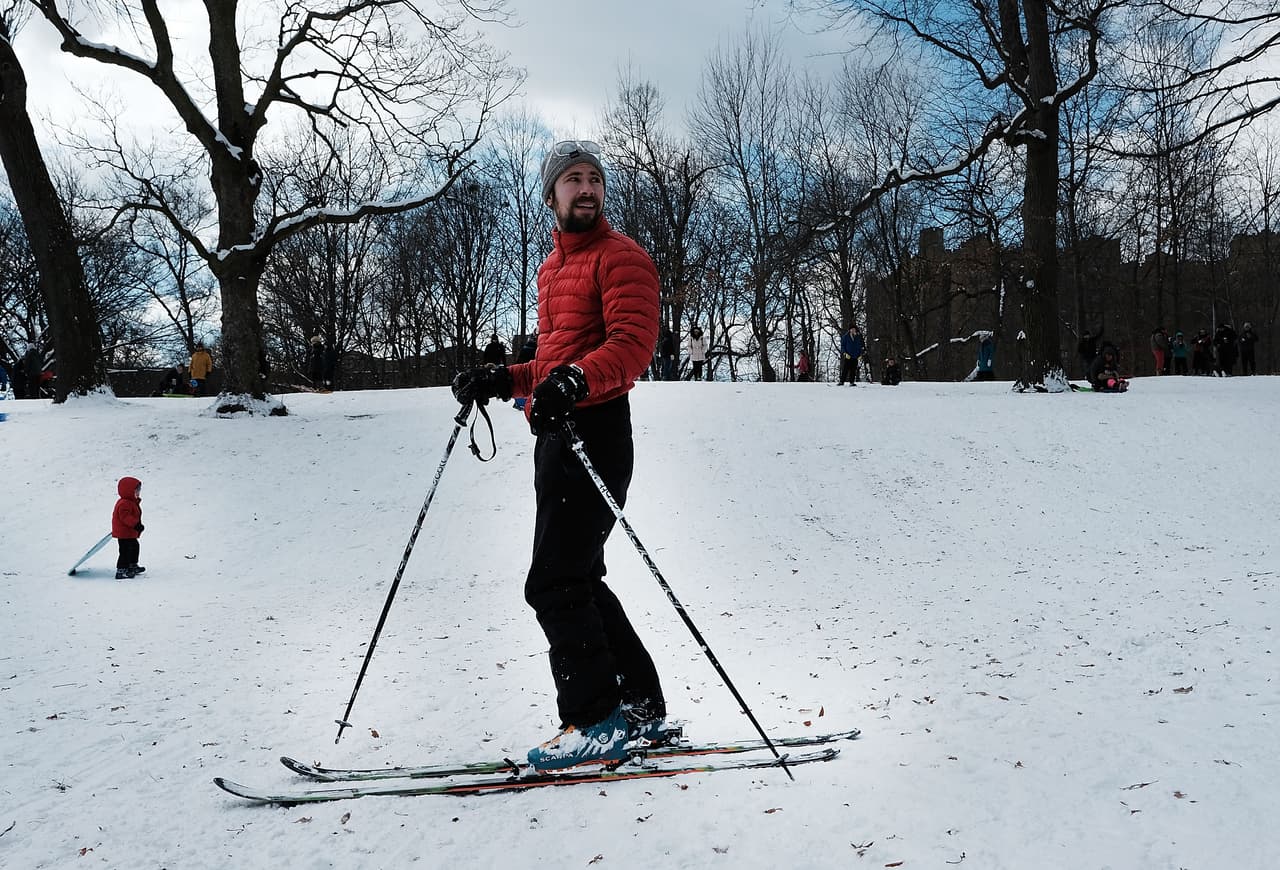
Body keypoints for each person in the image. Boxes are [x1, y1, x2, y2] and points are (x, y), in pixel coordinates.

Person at [449, 139, 667, 771]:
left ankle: (596, 718)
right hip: (556, 440)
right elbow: (550, 366)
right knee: (577, 577)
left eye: (594, 178)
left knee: (554, 582)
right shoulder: (554, 269)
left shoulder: (621, 258)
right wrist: (501, 378)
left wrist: (572, 382)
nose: (587, 188)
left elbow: (631, 347)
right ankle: (641, 710)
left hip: (595, 433)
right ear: (553, 195)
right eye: (573, 179)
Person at [112, 476, 146, 580]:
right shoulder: (124, 503)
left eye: (139, 490)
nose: (138, 493)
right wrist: (136, 524)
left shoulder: (131, 502)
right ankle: (121, 571)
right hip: (124, 534)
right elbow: (125, 517)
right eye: (136, 491)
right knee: (125, 551)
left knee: (135, 547)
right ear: (128, 491)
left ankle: (132, 565)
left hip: (129, 533)